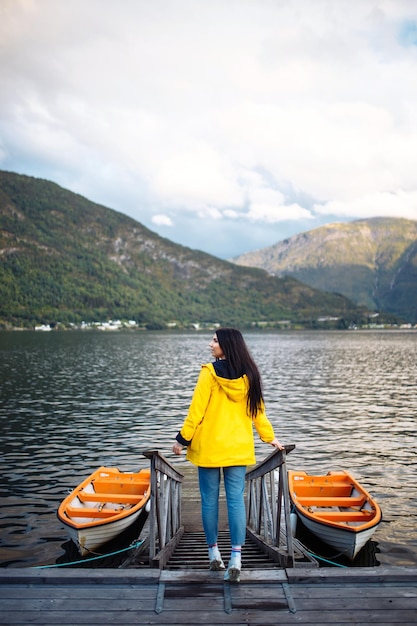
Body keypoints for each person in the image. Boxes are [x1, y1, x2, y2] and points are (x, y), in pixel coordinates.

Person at [172, 327, 284, 582]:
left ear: (226, 345)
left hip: (209, 448)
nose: (210, 344)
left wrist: (181, 439)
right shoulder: (251, 375)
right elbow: (258, 412)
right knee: (235, 500)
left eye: (214, 340)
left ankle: (214, 555)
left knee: (209, 501)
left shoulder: (209, 373)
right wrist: (270, 438)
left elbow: (196, 411)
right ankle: (236, 557)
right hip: (237, 448)